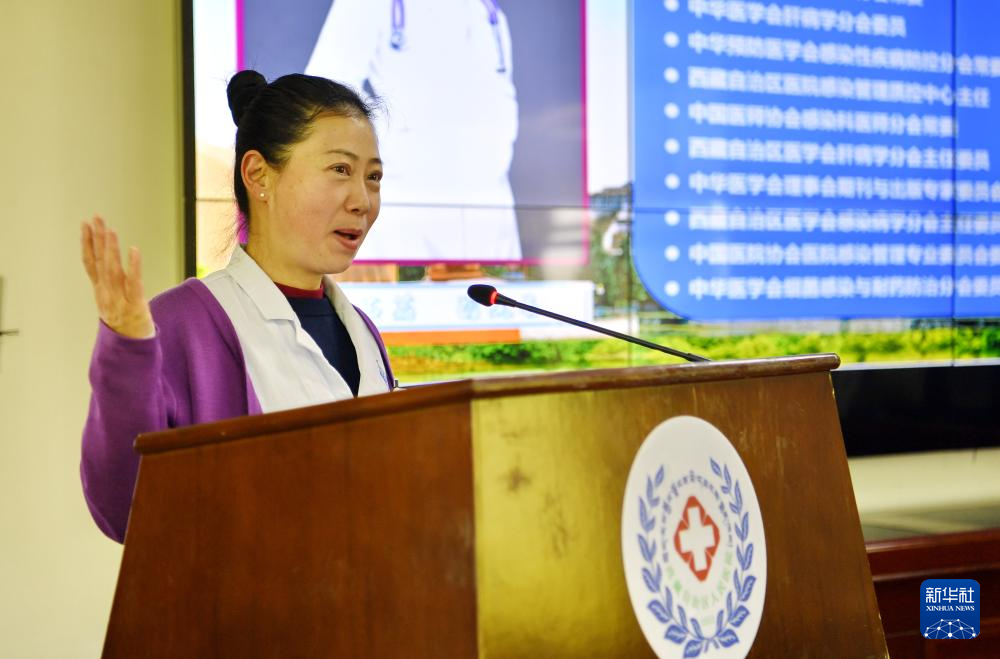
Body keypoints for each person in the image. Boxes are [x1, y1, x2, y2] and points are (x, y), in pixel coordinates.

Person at [80, 71, 394, 543]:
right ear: (258, 175)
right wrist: (127, 352)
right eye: (340, 170)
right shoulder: (183, 324)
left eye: (373, 177)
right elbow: (124, 509)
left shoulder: (362, 332)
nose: (362, 201)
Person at [304, 0, 522, 261]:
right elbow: (325, 94)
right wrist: (396, 140)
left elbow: (500, 101)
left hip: (489, 206)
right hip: (405, 207)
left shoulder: (488, 12)